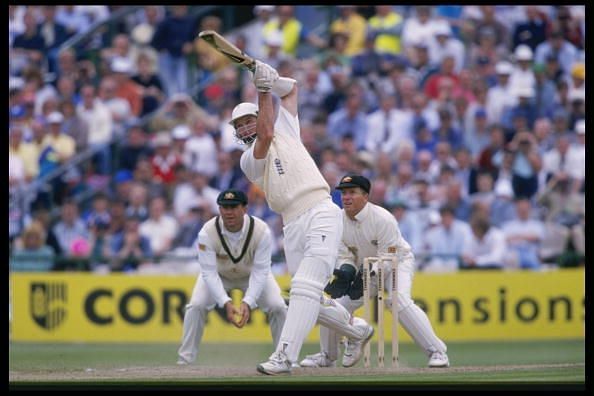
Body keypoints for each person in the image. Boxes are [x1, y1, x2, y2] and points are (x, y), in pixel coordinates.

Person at [230, 61, 373, 375]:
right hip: (292, 223)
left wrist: (270, 77)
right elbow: (265, 135)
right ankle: (357, 331)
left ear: (257, 116)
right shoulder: (247, 159)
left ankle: (284, 356)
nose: (243, 128)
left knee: (306, 287)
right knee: (305, 295)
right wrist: (264, 89)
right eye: (238, 126)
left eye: (247, 121)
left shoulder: (286, 127)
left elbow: (292, 90)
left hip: (321, 209)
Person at [300, 174, 450, 368]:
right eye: (344, 193)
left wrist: (367, 273)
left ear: (365, 196)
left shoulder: (383, 218)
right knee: (333, 304)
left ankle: (437, 352)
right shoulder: (337, 220)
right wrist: (346, 271)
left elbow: (390, 254)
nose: (346, 197)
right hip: (366, 268)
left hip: (397, 263)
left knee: (398, 300)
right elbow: (344, 253)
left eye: (352, 192)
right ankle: (328, 355)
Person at [176, 189, 287, 365]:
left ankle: (284, 358)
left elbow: (261, 271)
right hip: (219, 275)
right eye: (225, 207)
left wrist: (248, 302)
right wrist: (225, 302)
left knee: (278, 306)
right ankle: (185, 361)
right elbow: (208, 272)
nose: (229, 212)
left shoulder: (262, 231)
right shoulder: (207, 232)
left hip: (252, 275)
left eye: (234, 207)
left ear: (244, 208)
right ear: (219, 209)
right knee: (195, 306)